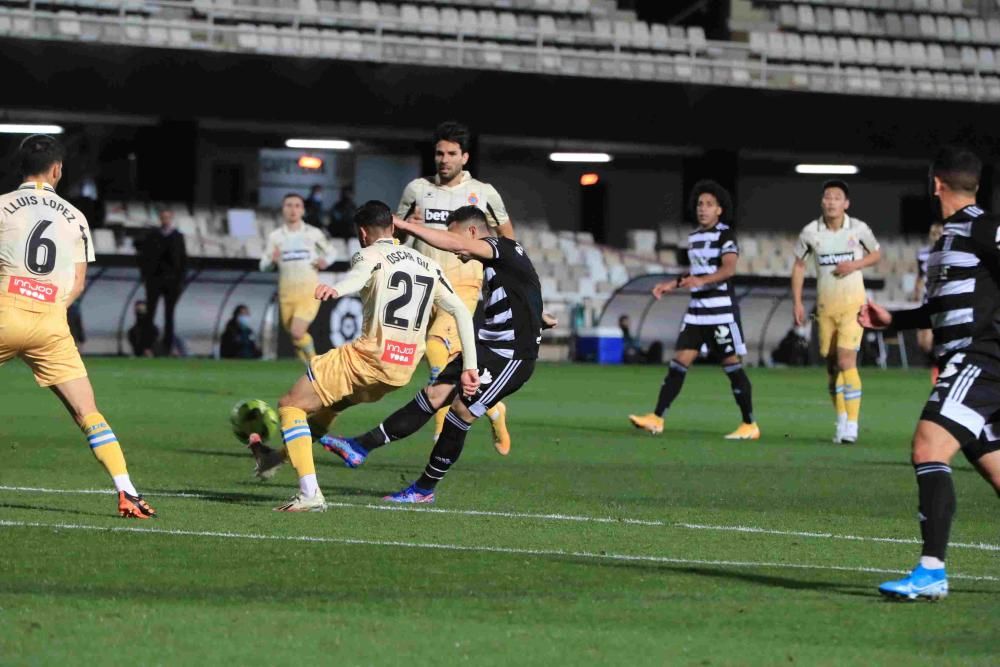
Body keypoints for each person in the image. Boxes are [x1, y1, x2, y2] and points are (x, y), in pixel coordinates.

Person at [248, 201, 479, 511]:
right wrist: (471, 366)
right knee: (329, 405)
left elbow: (357, 277)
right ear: (393, 227)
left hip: (367, 359)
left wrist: (337, 289)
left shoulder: (368, 254)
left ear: (363, 232)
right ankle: (274, 459)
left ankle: (310, 494)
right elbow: (462, 313)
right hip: (401, 370)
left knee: (291, 405)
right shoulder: (426, 263)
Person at [322, 206, 540, 503]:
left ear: (473, 232)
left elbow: (459, 245)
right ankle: (360, 446)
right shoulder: (506, 258)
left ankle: (424, 489)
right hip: (488, 346)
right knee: (434, 395)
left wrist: (402, 225)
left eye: (454, 236)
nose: (453, 250)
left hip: (510, 356)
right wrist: (543, 317)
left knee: (460, 412)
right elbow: (525, 294)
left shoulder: (499, 247)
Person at [859, 147, 1000, 600]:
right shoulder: (951, 237)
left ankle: (932, 569)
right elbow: (942, 307)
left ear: (936, 183)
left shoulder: (984, 227)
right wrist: (894, 321)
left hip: (980, 360)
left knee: (928, 446)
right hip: (974, 361)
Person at [0, 134, 155, 518]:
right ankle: (128, 492)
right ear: (57, 170)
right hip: (51, 322)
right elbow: (78, 284)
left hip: (5, 312)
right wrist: (50, 306)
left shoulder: (2, 206)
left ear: (20, 168)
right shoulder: (76, 216)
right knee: (88, 412)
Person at [396, 121, 518, 454]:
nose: (444, 159)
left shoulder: (484, 193)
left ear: (465, 157)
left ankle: (439, 431)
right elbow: (394, 238)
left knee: (437, 346)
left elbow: (508, 240)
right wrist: (409, 230)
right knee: (442, 358)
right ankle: (493, 407)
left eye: (451, 153)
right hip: (423, 285)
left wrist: (510, 282)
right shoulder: (416, 189)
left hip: (464, 283)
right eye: (439, 153)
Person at [628, 181, 760, 440]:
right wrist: (671, 284)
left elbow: (728, 269)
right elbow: (695, 272)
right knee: (678, 363)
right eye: (700, 204)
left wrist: (701, 281)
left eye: (709, 205)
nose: (703, 209)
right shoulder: (695, 238)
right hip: (697, 312)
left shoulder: (726, 235)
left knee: (732, 365)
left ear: (719, 210)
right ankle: (656, 418)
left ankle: (749, 424)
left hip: (721, 312)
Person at [790, 180, 881, 444]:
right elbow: (798, 267)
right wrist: (796, 302)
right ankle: (841, 418)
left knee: (846, 362)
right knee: (831, 366)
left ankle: (852, 424)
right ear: (822, 201)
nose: (831, 202)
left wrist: (855, 265)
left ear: (846, 203)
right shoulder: (810, 232)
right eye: (827, 197)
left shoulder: (858, 228)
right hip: (825, 307)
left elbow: (876, 254)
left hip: (853, 305)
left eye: (837, 197)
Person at [259, 193, 335, 364]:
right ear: (283, 209)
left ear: (303, 210)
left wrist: (325, 261)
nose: (293, 209)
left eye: (297, 205)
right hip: (286, 294)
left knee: (297, 332)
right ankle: (313, 373)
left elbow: (332, 252)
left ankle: (318, 366)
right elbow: (263, 266)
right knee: (296, 338)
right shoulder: (276, 237)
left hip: (308, 292)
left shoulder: (313, 234)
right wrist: (271, 260)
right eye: (289, 205)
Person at [138, 208, 186, 356]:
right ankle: (146, 347)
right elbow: (145, 257)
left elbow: (182, 260)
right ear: (160, 219)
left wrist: (180, 280)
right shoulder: (153, 236)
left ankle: (168, 347)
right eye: (163, 217)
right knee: (150, 314)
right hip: (155, 280)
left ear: (171, 218)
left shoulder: (177, 236)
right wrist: (146, 276)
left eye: (168, 217)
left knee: (169, 315)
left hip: (171, 282)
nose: (165, 220)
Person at [914, 222, 945, 383]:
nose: (936, 236)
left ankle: (938, 367)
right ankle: (936, 363)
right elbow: (920, 274)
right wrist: (916, 289)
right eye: (933, 233)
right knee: (923, 342)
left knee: (934, 338)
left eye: (939, 233)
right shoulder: (923, 254)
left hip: (942, 302)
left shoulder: (948, 254)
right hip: (927, 300)